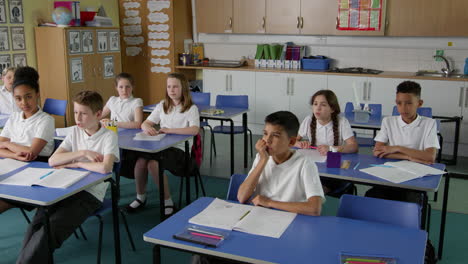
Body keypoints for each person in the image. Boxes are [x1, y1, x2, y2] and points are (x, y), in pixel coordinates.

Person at [16, 90, 119, 263]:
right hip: (66, 188)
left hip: (89, 194)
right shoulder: (76, 132)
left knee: (52, 228)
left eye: (84, 114)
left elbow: (104, 167)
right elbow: (53, 160)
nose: (78, 118)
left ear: (99, 114)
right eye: (76, 112)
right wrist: (83, 152)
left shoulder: (109, 136)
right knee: (38, 222)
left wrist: (77, 163)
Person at [126, 72, 199, 216]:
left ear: (183, 88)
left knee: (153, 164)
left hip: (180, 152)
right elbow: (146, 122)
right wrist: (147, 127)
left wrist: (169, 130)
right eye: (169, 87)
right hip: (161, 147)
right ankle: (140, 197)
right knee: (140, 161)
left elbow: (195, 130)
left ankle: (168, 202)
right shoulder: (162, 105)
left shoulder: (191, 108)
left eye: (175, 87)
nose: (171, 90)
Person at [237, 111, 324, 215]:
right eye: (265, 134)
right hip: (261, 218)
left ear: (291, 142)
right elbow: (241, 197)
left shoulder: (305, 164)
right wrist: (263, 161)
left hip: (290, 221)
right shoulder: (261, 158)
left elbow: (314, 208)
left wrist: (269, 202)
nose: (267, 140)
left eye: (275, 135)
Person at [368, 80, 440, 201]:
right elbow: (377, 151)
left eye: (409, 103)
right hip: (390, 173)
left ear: (419, 103)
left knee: (408, 199)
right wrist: (409, 157)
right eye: (399, 103)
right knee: (373, 196)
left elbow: (429, 157)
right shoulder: (388, 121)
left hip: (415, 176)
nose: (403, 108)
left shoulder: (429, 124)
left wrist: (397, 148)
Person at [0, 66, 55, 214]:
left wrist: (6, 144)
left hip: (36, 169)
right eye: (18, 98)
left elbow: (31, 152)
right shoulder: (14, 118)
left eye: (28, 96)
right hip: (14, 163)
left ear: (37, 94)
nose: (23, 102)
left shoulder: (46, 120)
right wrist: (13, 154)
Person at [294, 90, 358, 194]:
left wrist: (332, 148)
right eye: (315, 104)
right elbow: (292, 141)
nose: (317, 108)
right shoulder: (308, 120)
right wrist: (299, 144)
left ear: (332, 109)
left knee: (317, 188)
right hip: (313, 165)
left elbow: (353, 147)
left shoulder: (342, 122)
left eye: (323, 105)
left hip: (333, 168)